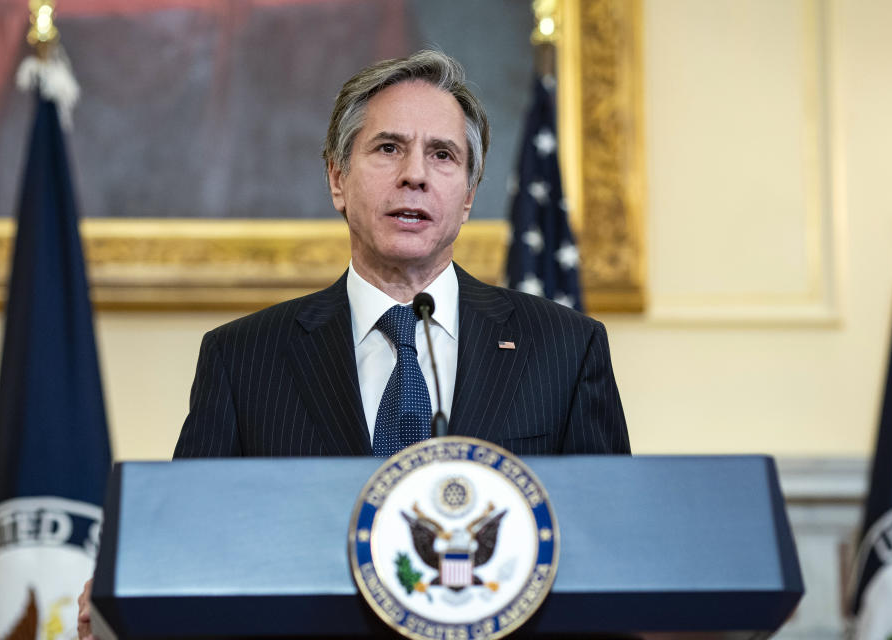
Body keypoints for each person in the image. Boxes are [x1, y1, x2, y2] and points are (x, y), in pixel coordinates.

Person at [78, 49, 629, 639]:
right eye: (388, 148)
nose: (414, 174)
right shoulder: (243, 358)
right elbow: (191, 543)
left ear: (468, 195)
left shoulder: (565, 348)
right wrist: (130, 588)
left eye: (442, 155)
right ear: (338, 179)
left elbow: (615, 558)